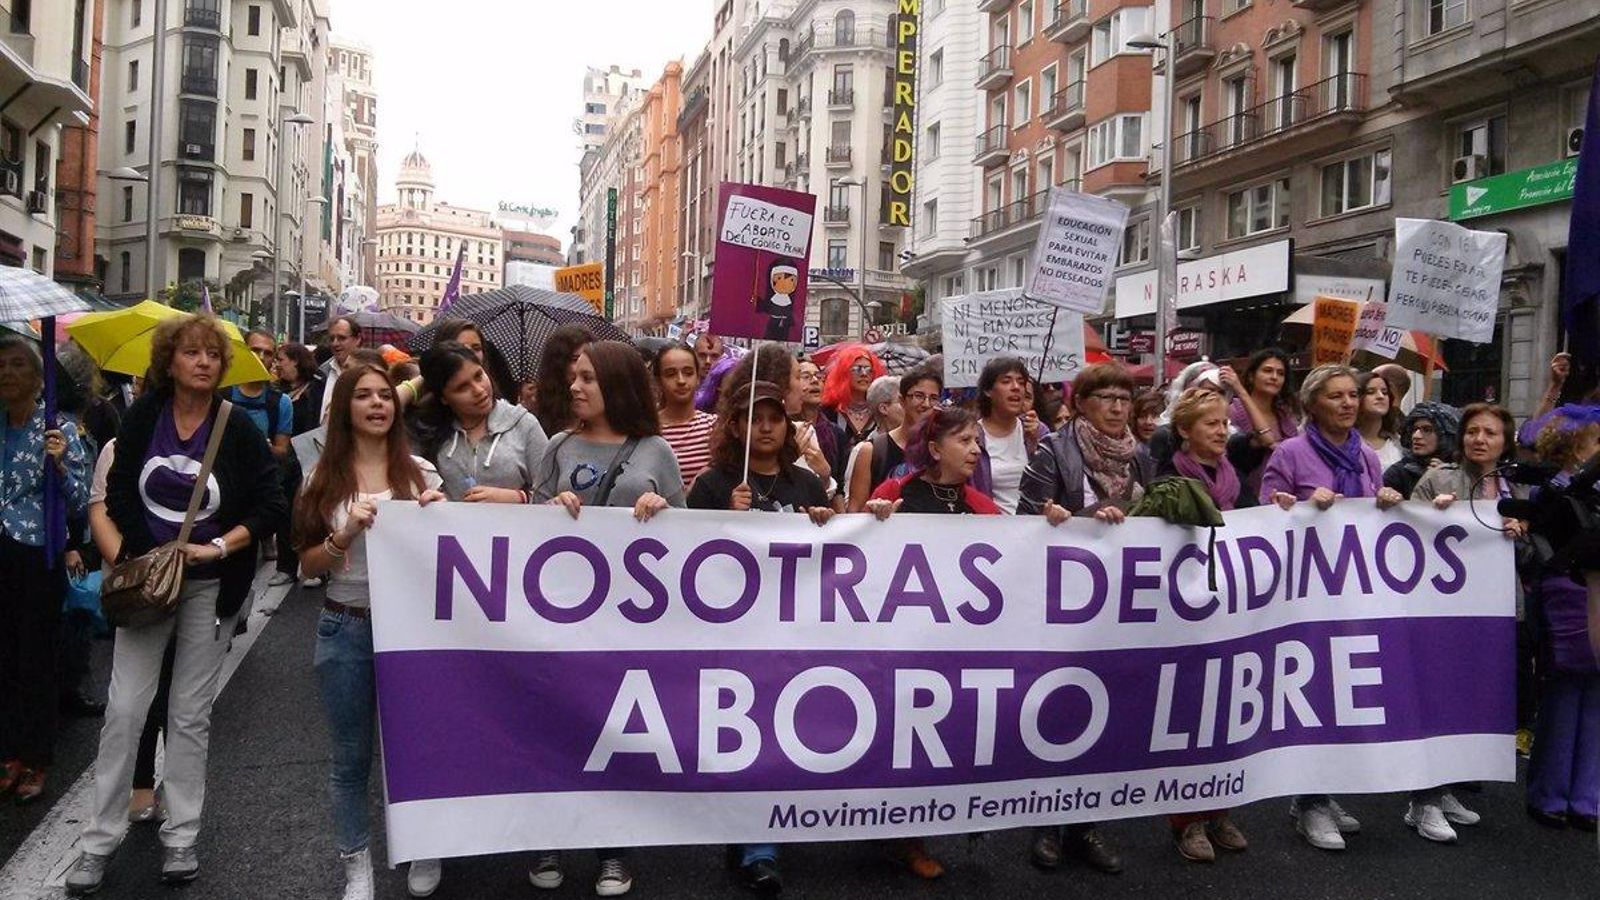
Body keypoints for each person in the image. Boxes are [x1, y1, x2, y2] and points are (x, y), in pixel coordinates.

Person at [69, 314, 286, 893]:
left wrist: (216, 547)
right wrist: (149, 554)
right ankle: (98, 839)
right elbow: (117, 494)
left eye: (212, 355)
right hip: (150, 584)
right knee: (124, 710)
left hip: (210, 588)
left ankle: (181, 836)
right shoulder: (144, 417)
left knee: (190, 715)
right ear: (170, 362)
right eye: (191, 353)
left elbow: (270, 503)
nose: (203, 362)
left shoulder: (235, 427)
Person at [531, 339, 684, 897]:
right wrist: (546, 512)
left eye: (588, 378)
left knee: (613, 732)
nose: (575, 387)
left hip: (626, 623)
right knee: (556, 726)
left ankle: (613, 850)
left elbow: (691, 539)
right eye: (574, 377)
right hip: (562, 618)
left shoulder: (655, 452)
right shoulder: (557, 446)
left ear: (615, 385)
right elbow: (527, 528)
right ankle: (547, 835)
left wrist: (663, 512)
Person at [294, 364, 446, 900]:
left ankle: (424, 847)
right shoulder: (321, 480)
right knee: (350, 759)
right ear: (345, 408)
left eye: (386, 395)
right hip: (347, 627)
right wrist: (343, 535)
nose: (378, 404)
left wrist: (440, 517)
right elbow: (307, 566)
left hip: (412, 633)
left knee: (416, 749)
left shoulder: (423, 474)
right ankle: (356, 865)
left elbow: (452, 555)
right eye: (364, 396)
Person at [687, 379, 833, 894]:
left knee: (785, 734)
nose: (766, 427)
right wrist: (726, 522)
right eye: (754, 418)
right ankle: (755, 846)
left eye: (774, 417)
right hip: (737, 637)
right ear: (737, 426)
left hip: (795, 636)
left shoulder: (808, 483)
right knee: (747, 737)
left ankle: (763, 834)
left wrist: (824, 521)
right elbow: (687, 562)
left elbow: (834, 554)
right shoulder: (712, 484)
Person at [1260, 363, 1405, 852]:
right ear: (1312, 405)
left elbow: (1372, 518)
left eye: (1352, 395)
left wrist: (1385, 500)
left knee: (1346, 693)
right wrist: (1296, 505)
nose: (1348, 403)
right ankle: (1309, 801)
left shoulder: (1365, 456)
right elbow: (1265, 514)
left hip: (1353, 592)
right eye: (1337, 396)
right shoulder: (1290, 452)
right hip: (1305, 598)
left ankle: (1325, 792)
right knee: (1311, 692)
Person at [1014, 363, 1146, 875]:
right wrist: (1068, 519)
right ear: (1083, 402)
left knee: (1107, 713)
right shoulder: (1054, 449)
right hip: (1062, 604)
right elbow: (1026, 517)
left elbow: (1157, 513)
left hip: (1119, 606)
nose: (1117, 407)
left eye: (1124, 398)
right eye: (1106, 397)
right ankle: (1047, 822)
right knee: (1060, 709)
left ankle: (1088, 825)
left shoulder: (1143, 453)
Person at [1405, 402, 1528, 843]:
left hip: (1493, 614)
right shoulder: (1438, 478)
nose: (1480, 439)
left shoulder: (1515, 487)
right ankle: (1423, 800)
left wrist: (1521, 534)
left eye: (1490, 433)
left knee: (1470, 704)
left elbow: (1533, 557)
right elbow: (1399, 534)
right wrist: (1430, 515)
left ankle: (1448, 788)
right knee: (1437, 702)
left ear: (1504, 441)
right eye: (1473, 431)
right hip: (1438, 613)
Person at [1156, 388, 1250, 862]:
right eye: (1212, 424)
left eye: (1225, 424)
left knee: (1227, 714)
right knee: (1189, 716)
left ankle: (1219, 809)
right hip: (1184, 614)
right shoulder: (1170, 477)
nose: (1222, 431)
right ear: (1186, 432)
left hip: (1229, 610)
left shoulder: (1233, 477)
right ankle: (1185, 819)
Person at [0, 334, 91, 804]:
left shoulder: (58, 430)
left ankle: (36, 756)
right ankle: (9, 751)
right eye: (2, 366)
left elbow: (79, 499)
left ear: (39, 379)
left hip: (36, 553)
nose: (8, 374)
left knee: (34, 657)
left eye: (19, 365)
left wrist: (59, 465)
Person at [1525, 407, 1600, 831]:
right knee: (1564, 692)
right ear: (1575, 445)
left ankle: (1588, 797)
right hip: (1566, 592)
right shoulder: (1550, 489)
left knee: (1596, 697)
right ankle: (1550, 793)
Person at [415, 342, 549, 508]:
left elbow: (552, 495)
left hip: (515, 531)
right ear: (444, 398)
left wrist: (518, 497)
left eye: (479, 376)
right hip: (454, 532)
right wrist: (437, 502)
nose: (478, 390)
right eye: (462, 387)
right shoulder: (430, 433)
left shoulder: (524, 424)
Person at [845, 369, 942, 511]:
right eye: (919, 396)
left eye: (933, 398)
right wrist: (874, 509)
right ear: (902, 401)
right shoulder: (872, 451)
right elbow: (855, 511)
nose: (926, 404)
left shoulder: (945, 449)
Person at [1229, 348, 1300, 501]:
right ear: (1250, 377)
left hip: (1284, 499)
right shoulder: (1233, 412)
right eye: (1267, 371)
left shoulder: (1286, 416)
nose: (1274, 377)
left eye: (1280, 373)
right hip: (1244, 499)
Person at [973, 357, 1041, 514]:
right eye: (1006, 381)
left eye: (1021, 382)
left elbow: (1050, 483)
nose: (1016, 387)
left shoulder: (1037, 429)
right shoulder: (973, 435)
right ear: (988, 391)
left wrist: (1036, 443)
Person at [652, 341, 716, 490]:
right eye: (670, 374)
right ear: (658, 381)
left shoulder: (714, 427)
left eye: (688, 373)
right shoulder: (647, 429)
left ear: (698, 377)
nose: (681, 381)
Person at [819, 344, 887, 456]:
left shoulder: (882, 411)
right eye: (857, 369)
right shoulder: (828, 411)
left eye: (869, 369)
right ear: (844, 373)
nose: (864, 374)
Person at [1382, 402, 1460, 499]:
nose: (1416, 436)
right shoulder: (1398, 474)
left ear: (1445, 435)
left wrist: (1444, 479)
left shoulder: (1463, 472)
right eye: (1414, 429)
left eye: (1427, 430)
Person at [534, 324, 594, 436]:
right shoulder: (536, 418)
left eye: (588, 358)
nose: (583, 365)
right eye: (575, 359)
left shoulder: (603, 409)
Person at [796, 356, 844, 477]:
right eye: (806, 376)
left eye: (819, 376)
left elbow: (840, 486)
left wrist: (825, 475)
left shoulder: (836, 433)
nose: (814, 380)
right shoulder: (783, 429)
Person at [1355, 371, 1402, 470]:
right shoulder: (1344, 441)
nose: (1380, 396)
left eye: (1385, 392)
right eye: (1371, 392)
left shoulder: (1398, 443)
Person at [274, 341, 323, 437]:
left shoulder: (317, 389)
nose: (277, 365)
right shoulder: (277, 389)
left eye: (281, 360)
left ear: (295, 361)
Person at [319, 316, 363, 420]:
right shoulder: (321, 373)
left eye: (342, 338)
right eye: (331, 338)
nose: (335, 343)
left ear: (357, 339)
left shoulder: (369, 373)